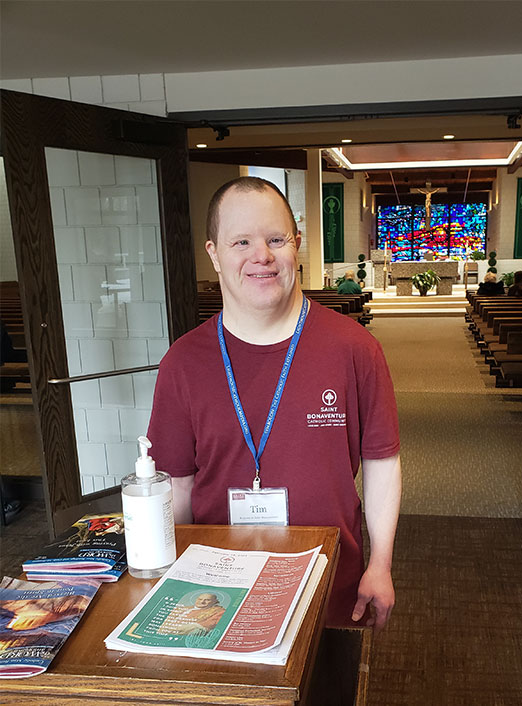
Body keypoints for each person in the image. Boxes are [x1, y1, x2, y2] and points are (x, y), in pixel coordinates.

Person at [147, 177, 401, 630]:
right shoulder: (182, 363)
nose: (261, 255)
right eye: (241, 241)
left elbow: (382, 464)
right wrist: (172, 578)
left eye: (276, 239)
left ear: (296, 246)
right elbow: (178, 488)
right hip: (215, 592)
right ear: (214, 253)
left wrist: (380, 565)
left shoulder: (355, 349)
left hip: (330, 581)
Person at [158, 592, 226, 635]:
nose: (202, 602)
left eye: (207, 600)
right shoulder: (184, 608)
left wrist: (168, 629)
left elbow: (200, 627)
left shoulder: (218, 611)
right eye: (200, 599)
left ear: (215, 602)